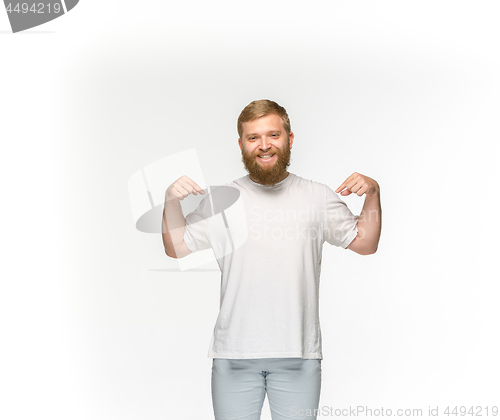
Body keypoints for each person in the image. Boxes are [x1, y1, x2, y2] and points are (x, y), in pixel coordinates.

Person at [162, 99, 382, 420]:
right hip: (234, 355)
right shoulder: (220, 201)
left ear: (289, 139)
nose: (264, 146)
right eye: (253, 138)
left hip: (298, 355)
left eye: (273, 135)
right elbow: (176, 247)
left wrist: (373, 194)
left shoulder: (316, 196)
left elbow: (365, 243)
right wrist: (170, 201)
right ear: (241, 145)